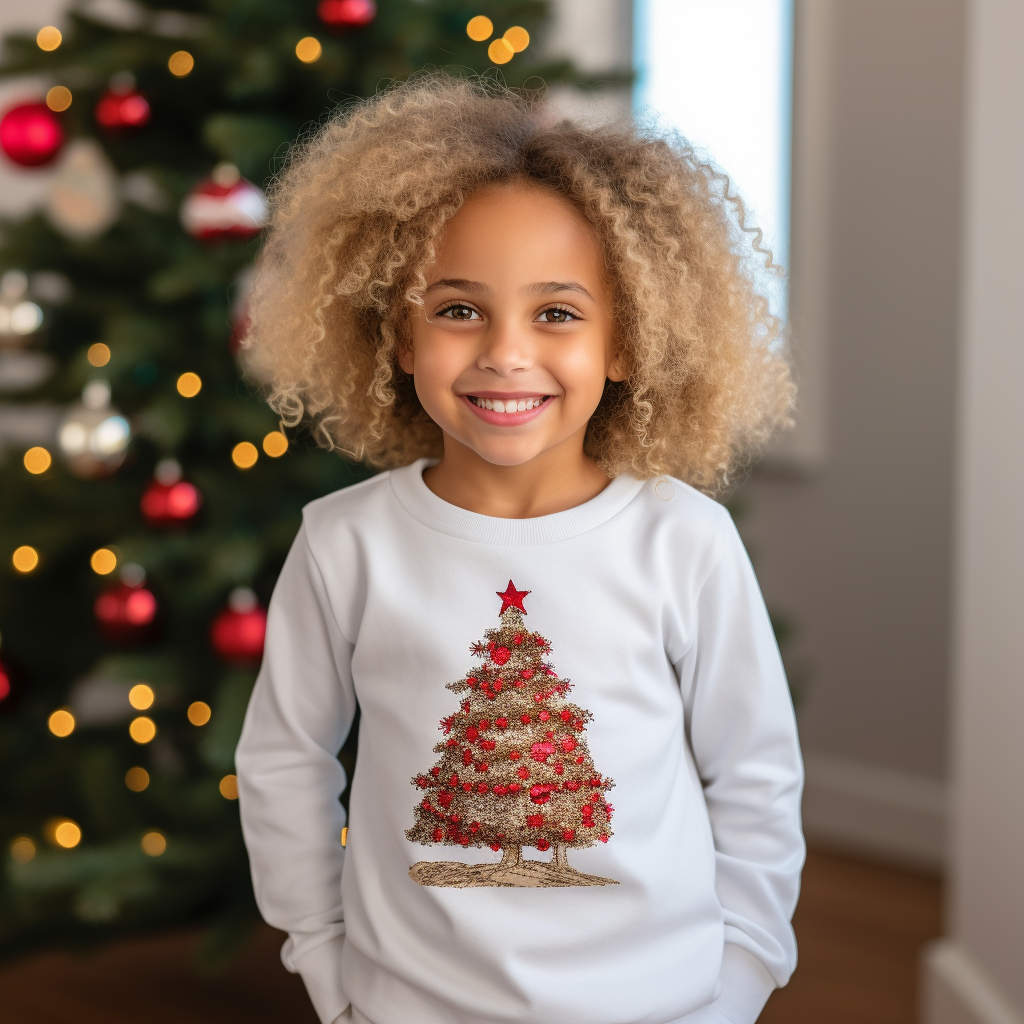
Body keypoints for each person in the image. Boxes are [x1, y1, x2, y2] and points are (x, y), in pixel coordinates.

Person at [236, 75, 803, 1024]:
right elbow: (287, 762)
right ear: (398, 337)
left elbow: (754, 774)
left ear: (627, 342)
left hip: (664, 1005)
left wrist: (740, 974)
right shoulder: (346, 546)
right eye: (458, 309)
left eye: (558, 313)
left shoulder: (686, 542)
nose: (505, 352)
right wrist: (326, 965)